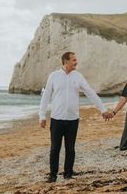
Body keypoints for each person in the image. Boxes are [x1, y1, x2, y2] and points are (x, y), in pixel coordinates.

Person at [39, 51, 111, 182]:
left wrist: (103, 109)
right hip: (57, 118)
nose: (76, 62)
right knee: (55, 148)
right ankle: (53, 175)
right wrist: (42, 116)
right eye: (74, 60)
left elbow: (90, 92)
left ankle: (68, 174)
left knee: (70, 148)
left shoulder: (78, 76)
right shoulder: (54, 76)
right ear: (66, 61)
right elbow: (45, 96)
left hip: (73, 119)